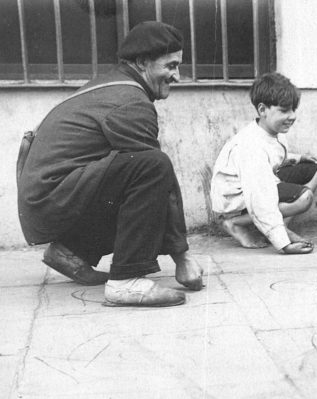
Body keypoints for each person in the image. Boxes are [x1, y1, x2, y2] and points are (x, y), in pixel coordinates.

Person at [17, 21, 204, 307]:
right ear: (142, 63)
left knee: (129, 173)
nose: (177, 76)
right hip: (52, 198)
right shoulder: (132, 102)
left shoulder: (113, 85)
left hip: (45, 198)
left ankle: (71, 253)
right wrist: (183, 257)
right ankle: (126, 280)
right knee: (152, 166)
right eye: (170, 66)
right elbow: (158, 177)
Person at [210, 72, 317, 254]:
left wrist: (298, 158)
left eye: (293, 109)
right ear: (262, 110)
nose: (292, 116)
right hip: (238, 197)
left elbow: (274, 155)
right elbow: (260, 197)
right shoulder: (251, 147)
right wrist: (283, 245)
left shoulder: (272, 132)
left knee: (313, 168)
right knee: (304, 198)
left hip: (262, 181)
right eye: (284, 110)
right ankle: (235, 223)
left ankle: (281, 226)